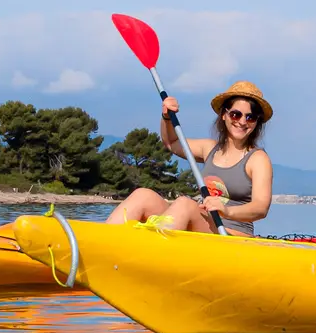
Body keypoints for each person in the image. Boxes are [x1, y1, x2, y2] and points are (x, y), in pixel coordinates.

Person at [105, 81, 275, 236]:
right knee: (143, 195)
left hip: (232, 234)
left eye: (250, 117)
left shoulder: (258, 159)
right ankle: (105, 241)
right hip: (204, 224)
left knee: (185, 204)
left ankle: (152, 254)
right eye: (236, 114)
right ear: (224, 115)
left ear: (256, 123)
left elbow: (260, 208)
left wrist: (226, 211)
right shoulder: (209, 148)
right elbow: (171, 142)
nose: (242, 121)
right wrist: (166, 118)